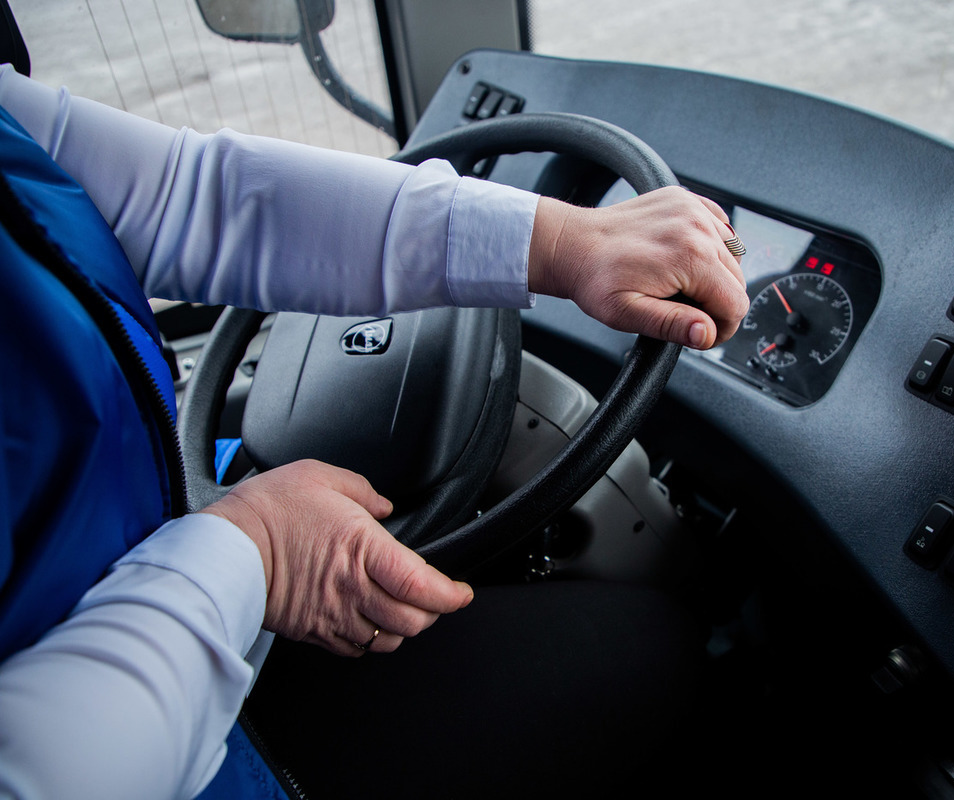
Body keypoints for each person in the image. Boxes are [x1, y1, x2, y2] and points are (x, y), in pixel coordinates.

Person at [0, 53, 748, 800]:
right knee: (653, 646)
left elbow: (192, 196)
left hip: (150, 581)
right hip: (177, 737)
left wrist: (555, 242)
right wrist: (252, 553)